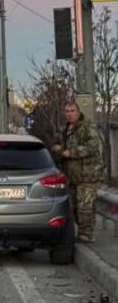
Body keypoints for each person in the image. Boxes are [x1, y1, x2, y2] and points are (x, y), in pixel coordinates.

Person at [51, 101, 104, 243]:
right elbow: (58, 143)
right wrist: (57, 148)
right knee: (74, 206)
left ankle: (86, 234)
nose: (69, 114)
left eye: (72, 111)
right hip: (72, 175)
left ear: (78, 112)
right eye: (67, 111)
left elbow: (93, 146)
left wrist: (72, 152)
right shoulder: (65, 128)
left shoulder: (87, 127)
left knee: (85, 206)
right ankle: (82, 231)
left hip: (87, 175)